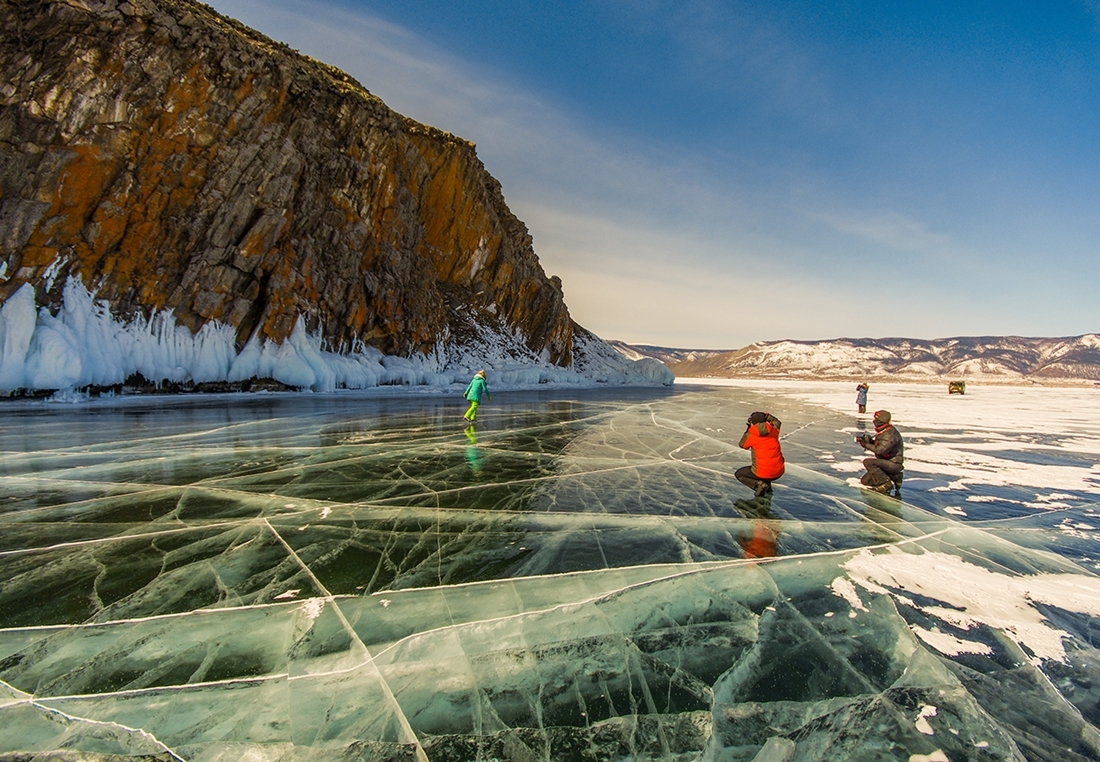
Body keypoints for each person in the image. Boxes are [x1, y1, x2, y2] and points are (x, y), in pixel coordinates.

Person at [736, 411, 785, 497]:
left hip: (762, 473)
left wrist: (748, 430)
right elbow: (777, 422)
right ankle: (767, 488)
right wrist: (766, 416)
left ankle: (758, 484)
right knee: (767, 469)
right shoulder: (774, 430)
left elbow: (742, 445)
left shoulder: (751, 435)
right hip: (779, 471)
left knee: (739, 474)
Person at [856, 410, 904, 494]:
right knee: (865, 481)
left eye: (876, 419)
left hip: (893, 463)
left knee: (869, 462)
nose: (874, 421)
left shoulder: (890, 433)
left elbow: (881, 450)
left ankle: (885, 484)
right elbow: (881, 446)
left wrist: (866, 445)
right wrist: (870, 442)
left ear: (881, 420)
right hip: (886, 462)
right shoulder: (884, 431)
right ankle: (893, 476)